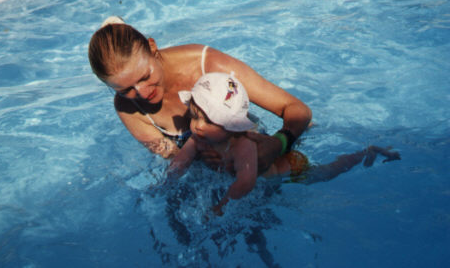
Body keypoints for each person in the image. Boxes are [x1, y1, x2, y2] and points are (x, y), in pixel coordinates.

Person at [88, 16, 312, 167]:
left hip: (257, 149)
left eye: (145, 77)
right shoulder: (127, 107)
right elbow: (171, 156)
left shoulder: (208, 65)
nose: (142, 92)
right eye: (125, 89)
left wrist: (278, 143)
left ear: (153, 47)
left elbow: (297, 109)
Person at [167, 72, 401, 215]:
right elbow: (181, 161)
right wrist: (169, 180)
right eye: (195, 116)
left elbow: (246, 183)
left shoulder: (243, 145)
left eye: (209, 120)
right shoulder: (198, 136)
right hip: (269, 168)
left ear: (230, 126)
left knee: (327, 172)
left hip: (289, 168)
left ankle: (368, 151)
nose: (197, 126)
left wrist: (222, 206)